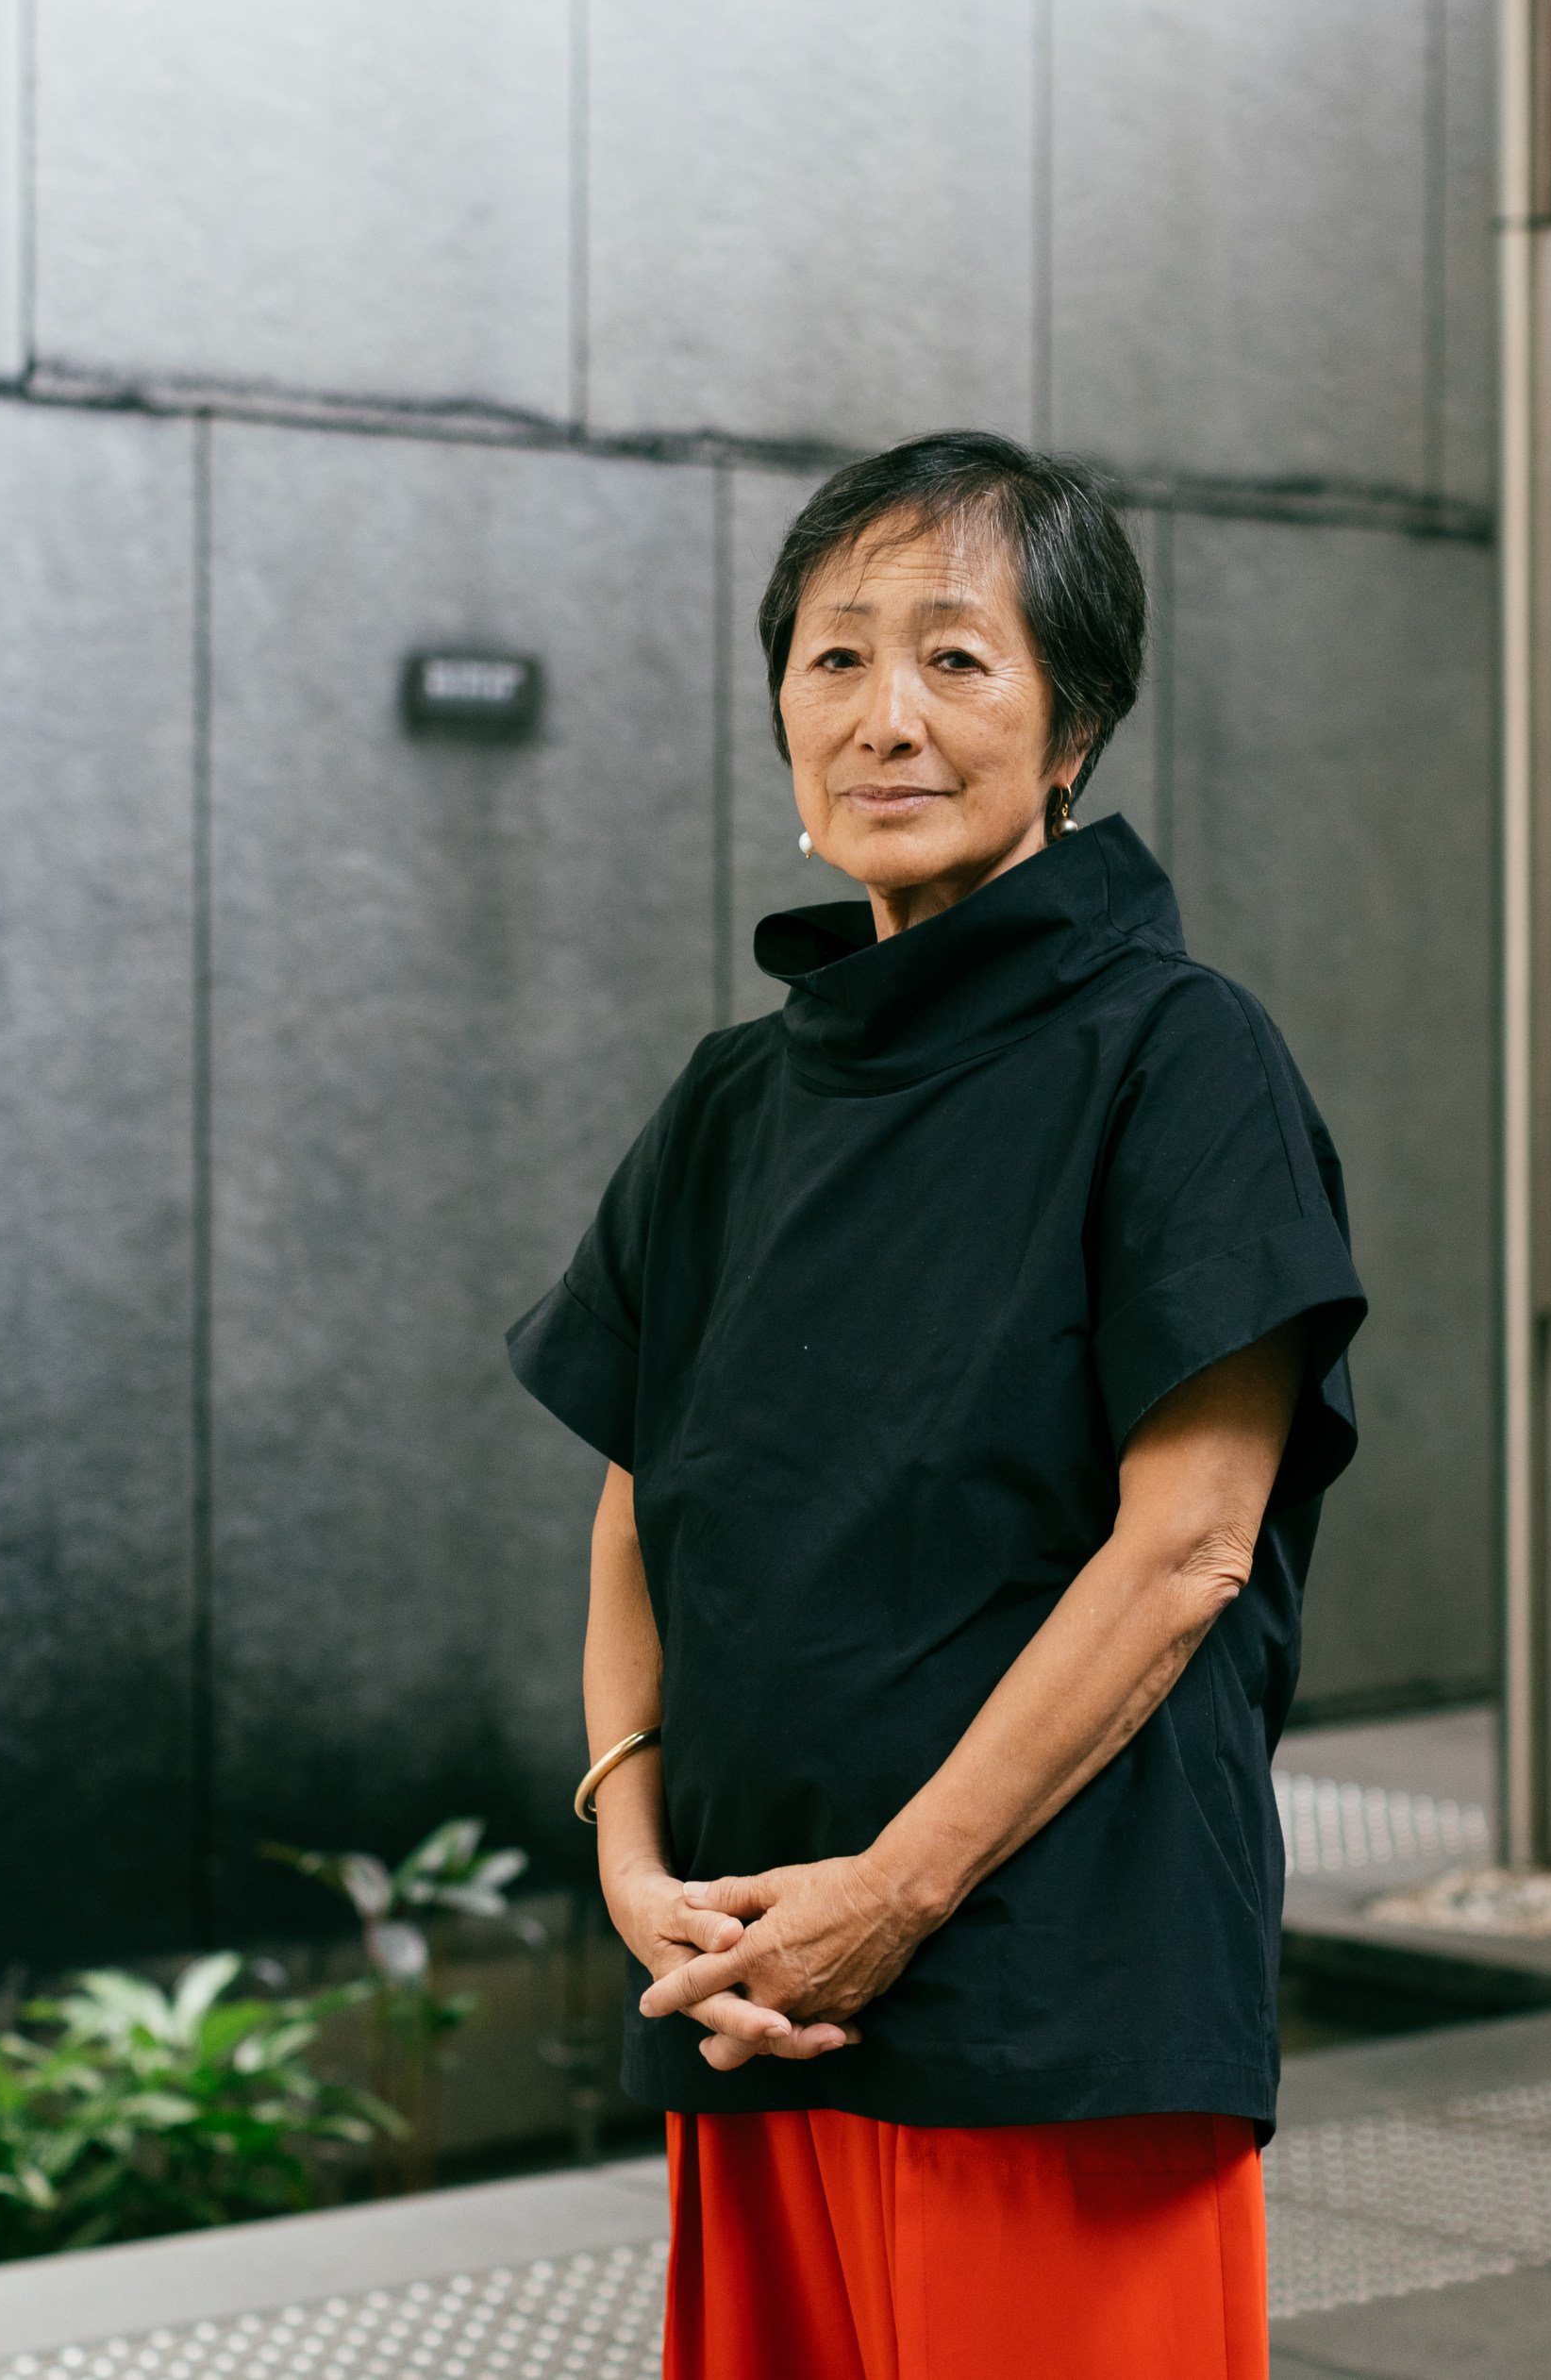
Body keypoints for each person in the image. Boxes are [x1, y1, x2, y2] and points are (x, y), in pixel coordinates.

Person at [506, 431, 1367, 2378]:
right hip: (752, 1987)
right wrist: (633, 1858)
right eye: (832, 658)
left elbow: (1187, 1548)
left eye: (956, 658)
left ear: (1070, 730)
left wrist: (889, 1900)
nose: (884, 714)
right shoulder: (735, 1098)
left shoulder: (1177, 1057)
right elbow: (637, 1509)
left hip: (1043, 2007)